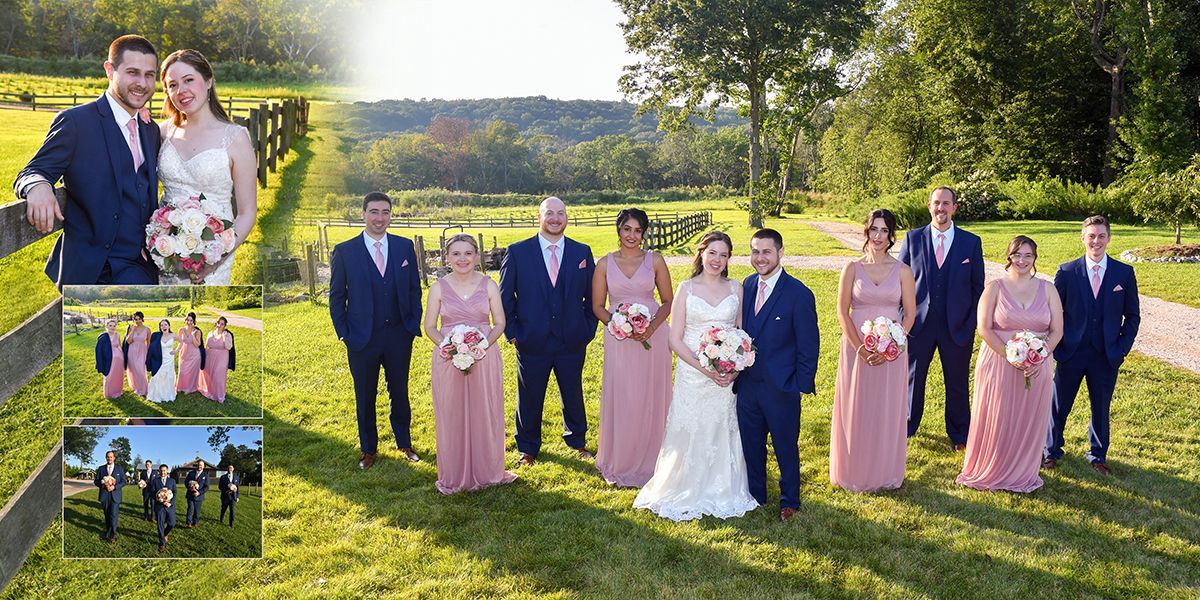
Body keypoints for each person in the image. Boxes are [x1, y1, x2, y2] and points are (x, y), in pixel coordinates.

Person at [14, 35, 161, 286]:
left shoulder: (151, 129)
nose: (142, 83)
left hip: (142, 264)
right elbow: (34, 170)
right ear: (109, 70)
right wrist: (38, 186)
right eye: (132, 72)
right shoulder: (76, 122)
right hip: (95, 269)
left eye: (149, 75)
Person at [634, 232, 759, 521]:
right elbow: (674, 340)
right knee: (691, 427)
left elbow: (742, 335)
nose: (717, 260)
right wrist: (706, 369)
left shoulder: (736, 288)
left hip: (726, 378)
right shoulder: (686, 289)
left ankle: (724, 486)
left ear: (729, 259)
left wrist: (733, 368)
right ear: (701, 253)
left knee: (721, 426)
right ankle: (683, 484)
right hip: (693, 373)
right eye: (712, 253)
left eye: (724, 255)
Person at [957, 236, 1063, 491]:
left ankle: (1022, 470)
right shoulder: (994, 288)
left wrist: (1040, 355)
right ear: (1009, 257)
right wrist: (1011, 355)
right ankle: (992, 466)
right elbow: (984, 328)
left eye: (1028, 255)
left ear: (1035, 258)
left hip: (1037, 366)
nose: (1022, 260)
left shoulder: (1048, 289)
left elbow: (1057, 331)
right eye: (1017, 255)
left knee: (1028, 417)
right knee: (998, 415)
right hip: (999, 361)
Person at [499, 197, 598, 466]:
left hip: (572, 338)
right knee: (529, 395)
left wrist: (587, 329)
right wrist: (514, 333)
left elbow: (593, 296)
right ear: (539, 217)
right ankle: (528, 448)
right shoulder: (518, 252)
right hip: (531, 339)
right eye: (550, 213)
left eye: (561, 213)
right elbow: (504, 298)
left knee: (573, 392)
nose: (555, 218)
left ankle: (577, 441)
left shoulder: (582, 252)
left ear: (567, 217)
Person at [329, 192, 423, 470]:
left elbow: (413, 289)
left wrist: (411, 324)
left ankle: (404, 442)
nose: (380, 218)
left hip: (398, 335)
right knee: (365, 394)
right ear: (363, 214)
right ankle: (368, 449)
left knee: (400, 391)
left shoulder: (404, 247)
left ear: (391, 215)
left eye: (385, 212)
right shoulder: (345, 251)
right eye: (374, 212)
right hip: (361, 337)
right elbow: (336, 297)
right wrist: (345, 333)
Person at [734, 229, 821, 519]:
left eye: (766, 251)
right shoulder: (745, 286)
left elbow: (809, 346)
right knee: (751, 443)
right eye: (755, 251)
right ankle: (756, 494)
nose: (760, 258)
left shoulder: (799, 294)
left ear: (780, 253)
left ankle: (789, 500)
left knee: (785, 446)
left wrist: (799, 384)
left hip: (782, 387)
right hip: (747, 386)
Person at [1044, 216, 1141, 476]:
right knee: (1058, 404)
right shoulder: (1066, 272)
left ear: (1108, 238)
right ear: (1082, 238)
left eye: (1100, 236)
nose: (1095, 241)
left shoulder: (1124, 273)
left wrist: (1121, 348)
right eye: (1091, 236)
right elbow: (1055, 312)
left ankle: (1098, 455)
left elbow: (1133, 316)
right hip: (1071, 352)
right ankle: (1050, 451)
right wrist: (1058, 344)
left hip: (1106, 354)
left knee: (1101, 406)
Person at [423, 234, 517, 494]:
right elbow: (430, 326)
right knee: (451, 412)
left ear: (476, 256)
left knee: (485, 410)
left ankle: (488, 470)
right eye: (456, 253)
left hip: (484, 355)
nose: (462, 259)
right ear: (447, 257)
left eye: (467, 253)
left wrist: (482, 345)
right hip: (448, 358)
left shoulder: (489, 285)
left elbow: (499, 322)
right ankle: (455, 472)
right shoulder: (438, 288)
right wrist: (450, 347)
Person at [830, 211, 916, 493]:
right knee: (857, 404)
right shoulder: (852, 268)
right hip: (857, 347)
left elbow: (911, 315)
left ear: (892, 235)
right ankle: (853, 468)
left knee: (886, 406)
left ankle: (884, 469)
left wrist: (893, 344)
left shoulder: (903, 270)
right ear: (866, 232)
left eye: (884, 230)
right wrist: (860, 348)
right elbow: (843, 312)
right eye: (873, 230)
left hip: (892, 349)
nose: (878, 236)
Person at [157, 49, 257, 285]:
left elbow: (247, 212)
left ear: (209, 80)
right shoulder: (161, 132)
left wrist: (217, 258)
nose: (181, 91)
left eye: (189, 80)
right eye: (172, 85)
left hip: (212, 260)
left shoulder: (236, 138)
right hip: (166, 254)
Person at [591, 208, 673, 487]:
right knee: (624, 395)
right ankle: (621, 457)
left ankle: (655, 458)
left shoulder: (656, 261)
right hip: (619, 338)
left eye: (638, 230)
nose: (632, 235)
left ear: (644, 233)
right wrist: (619, 324)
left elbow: (667, 301)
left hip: (654, 336)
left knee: (651, 394)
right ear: (618, 230)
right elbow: (597, 306)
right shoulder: (604, 264)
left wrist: (649, 328)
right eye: (627, 229)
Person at [898, 186, 985, 449]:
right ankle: (907, 427)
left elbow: (977, 288)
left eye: (946, 203)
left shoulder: (971, 242)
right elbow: (899, 283)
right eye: (937, 203)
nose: (941, 208)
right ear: (929, 206)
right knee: (913, 378)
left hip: (957, 326)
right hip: (919, 324)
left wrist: (970, 322)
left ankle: (959, 434)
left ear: (954, 208)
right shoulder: (913, 239)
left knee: (957, 381)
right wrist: (904, 319)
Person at [198, 317, 235, 403]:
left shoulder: (227, 334)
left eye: (222, 324)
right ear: (216, 323)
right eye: (219, 323)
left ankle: (219, 395)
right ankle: (209, 391)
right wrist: (203, 356)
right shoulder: (211, 333)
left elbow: (228, 347)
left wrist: (224, 337)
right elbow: (206, 345)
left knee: (218, 376)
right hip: (209, 356)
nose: (219, 325)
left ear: (225, 326)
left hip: (222, 357)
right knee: (208, 373)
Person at [93, 450, 125, 542]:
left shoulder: (120, 469)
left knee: (113, 515)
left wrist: (114, 487)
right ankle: (107, 533)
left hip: (115, 495)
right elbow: (96, 481)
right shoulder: (101, 468)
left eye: (111, 457)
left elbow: (124, 482)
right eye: (108, 456)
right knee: (107, 515)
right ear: (105, 458)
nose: (109, 458)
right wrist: (104, 485)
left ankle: (112, 535)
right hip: (104, 495)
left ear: (114, 458)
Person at [146, 319, 178, 403]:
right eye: (162, 325)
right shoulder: (157, 336)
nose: (164, 326)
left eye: (165, 324)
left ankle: (167, 394)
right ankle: (157, 394)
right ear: (160, 328)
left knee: (168, 376)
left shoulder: (173, 335)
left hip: (169, 359)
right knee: (158, 376)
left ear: (169, 326)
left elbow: (182, 342)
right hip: (159, 359)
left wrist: (176, 350)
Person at [95, 319, 126, 399]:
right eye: (110, 325)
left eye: (114, 326)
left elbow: (119, 345)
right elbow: (99, 350)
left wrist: (123, 356)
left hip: (119, 359)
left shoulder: (117, 334)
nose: (112, 327)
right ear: (107, 326)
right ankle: (109, 393)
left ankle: (117, 391)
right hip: (108, 359)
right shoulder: (103, 336)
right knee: (109, 376)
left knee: (117, 375)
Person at [149, 464, 176, 553]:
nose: (163, 472)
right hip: (159, 506)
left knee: (172, 523)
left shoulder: (172, 481)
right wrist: (160, 499)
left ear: (167, 471)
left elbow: (174, 493)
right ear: (159, 472)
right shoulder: (155, 481)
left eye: (164, 470)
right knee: (160, 524)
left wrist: (170, 502)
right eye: (161, 471)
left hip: (169, 506)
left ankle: (165, 533)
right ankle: (162, 543)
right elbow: (152, 493)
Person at [176, 312, 205, 394]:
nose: (189, 322)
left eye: (191, 320)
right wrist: (176, 350)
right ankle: (181, 386)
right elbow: (180, 342)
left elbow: (197, 345)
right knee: (182, 371)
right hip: (184, 354)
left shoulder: (197, 331)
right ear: (185, 320)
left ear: (194, 321)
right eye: (187, 320)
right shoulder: (181, 330)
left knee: (191, 373)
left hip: (194, 355)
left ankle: (190, 387)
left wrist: (192, 336)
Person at [123, 311, 150, 397]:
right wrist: (132, 330)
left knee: (141, 371)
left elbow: (148, 343)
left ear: (142, 319)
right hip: (132, 351)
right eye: (136, 319)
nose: (138, 321)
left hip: (142, 352)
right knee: (134, 370)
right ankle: (136, 386)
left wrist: (148, 354)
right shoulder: (131, 328)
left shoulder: (147, 329)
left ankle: (144, 389)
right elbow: (128, 341)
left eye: (139, 319)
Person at [185, 459, 209, 528]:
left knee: (197, 511)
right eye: (198, 465)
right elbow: (186, 482)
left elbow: (206, 487)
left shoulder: (205, 475)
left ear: (203, 467)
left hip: (199, 496)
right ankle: (188, 523)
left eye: (201, 465)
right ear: (197, 466)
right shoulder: (191, 473)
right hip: (190, 495)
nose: (199, 466)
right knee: (190, 509)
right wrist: (189, 487)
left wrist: (199, 492)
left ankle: (195, 522)